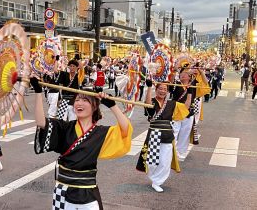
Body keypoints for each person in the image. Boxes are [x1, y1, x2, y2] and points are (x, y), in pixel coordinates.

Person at [30, 77, 133, 210]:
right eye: (77, 99)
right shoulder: (65, 127)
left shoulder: (101, 132)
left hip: (88, 192)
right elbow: (41, 123)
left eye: (85, 100)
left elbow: (125, 130)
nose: (79, 103)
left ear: (94, 106)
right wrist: (38, 92)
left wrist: (112, 105)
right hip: (63, 190)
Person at [136, 79, 189, 193]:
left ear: (167, 91)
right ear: (156, 90)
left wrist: (190, 92)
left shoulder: (171, 103)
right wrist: (149, 87)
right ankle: (154, 178)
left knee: (165, 161)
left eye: (165, 89)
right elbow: (148, 105)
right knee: (152, 161)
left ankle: (157, 182)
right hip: (154, 134)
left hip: (167, 135)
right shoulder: (152, 101)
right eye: (160, 89)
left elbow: (185, 108)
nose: (163, 91)